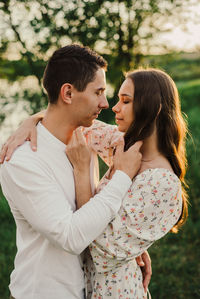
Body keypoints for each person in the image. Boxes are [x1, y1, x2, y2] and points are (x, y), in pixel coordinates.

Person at [1, 68, 188, 298]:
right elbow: (68, 118)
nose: (114, 107)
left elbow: (93, 243)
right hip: (84, 288)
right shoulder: (122, 145)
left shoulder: (163, 184)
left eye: (125, 101)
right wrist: (31, 121)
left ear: (154, 107)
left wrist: (82, 172)